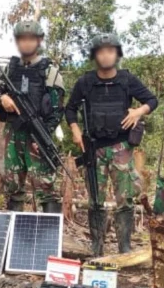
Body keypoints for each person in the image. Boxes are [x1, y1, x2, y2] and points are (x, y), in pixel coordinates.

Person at [65, 33, 158, 256]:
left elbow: (152, 100)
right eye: (101, 51)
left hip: (121, 147)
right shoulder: (85, 82)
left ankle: (124, 248)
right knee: (95, 200)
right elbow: (70, 109)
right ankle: (97, 248)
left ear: (117, 54)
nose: (106, 56)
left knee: (124, 199)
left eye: (110, 51)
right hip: (93, 148)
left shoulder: (127, 80)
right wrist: (76, 130)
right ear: (95, 55)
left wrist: (138, 111)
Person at [0, 20, 65, 213]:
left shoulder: (50, 72)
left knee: (46, 187)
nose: (27, 43)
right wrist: (2, 98)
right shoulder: (8, 70)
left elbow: (57, 111)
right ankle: (17, 234)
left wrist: (43, 136)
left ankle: (48, 237)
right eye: (22, 39)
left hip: (38, 136)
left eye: (31, 39)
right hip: (13, 134)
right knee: (12, 185)